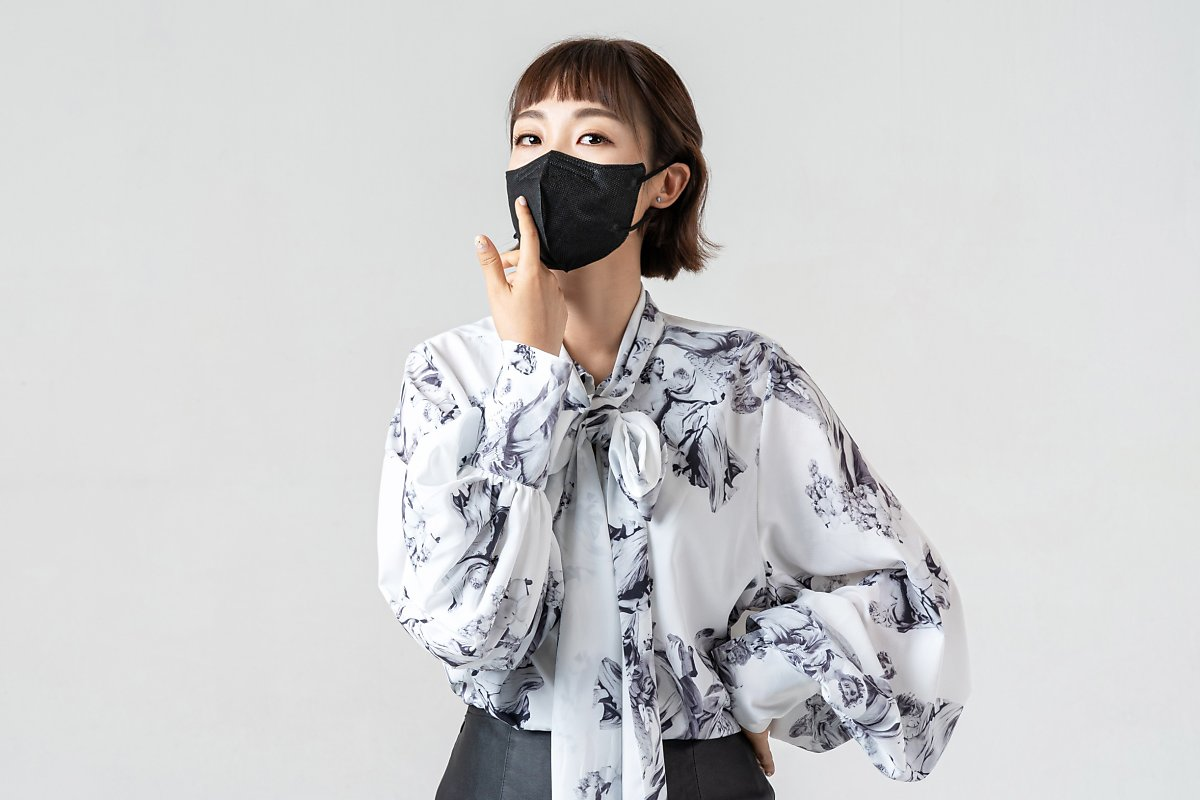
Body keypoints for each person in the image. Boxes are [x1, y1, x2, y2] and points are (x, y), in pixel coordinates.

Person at [378, 36, 971, 800]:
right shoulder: (450, 376)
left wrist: (753, 679)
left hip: (700, 778)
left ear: (664, 183)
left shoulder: (744, 379)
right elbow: (468, 632)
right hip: (506, 779)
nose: (548, 164)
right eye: (529, 137)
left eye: (591, 138)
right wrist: (529, 373)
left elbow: (906, 592)